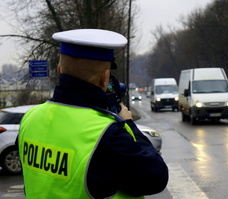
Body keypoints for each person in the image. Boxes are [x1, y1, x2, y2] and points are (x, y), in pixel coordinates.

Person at [17, 29, 169, 199]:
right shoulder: (107, 134)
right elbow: (157, 177)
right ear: (105, 78)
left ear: (59, 70)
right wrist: (129, 124)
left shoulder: (29, 119)